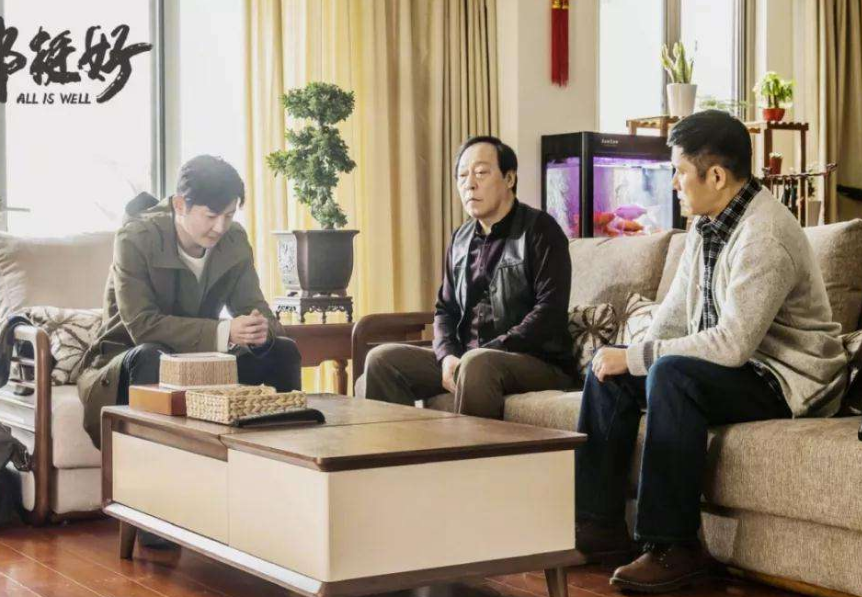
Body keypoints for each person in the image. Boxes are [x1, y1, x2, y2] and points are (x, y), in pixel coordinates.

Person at [573, 111, 848, 593]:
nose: (673, 183)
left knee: (671, 375)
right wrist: (625, 356)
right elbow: (674, 317)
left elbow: (732, 343)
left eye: (679, 171)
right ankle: (597, 525)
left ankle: (674, 548)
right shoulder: (706, 224)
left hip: (788, 378)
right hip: (742, 366)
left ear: (716, 176)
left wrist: (640, 359)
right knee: (609, 370)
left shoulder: (765, 235)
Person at [77, 155, 301, 449]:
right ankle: (150, 467)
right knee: (152, 356)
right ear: (180, 205)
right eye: (211, 216)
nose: (220, 227)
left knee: (283, 351)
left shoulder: (233, 239)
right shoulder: (135, 238)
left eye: (229, 215)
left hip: (201, 365)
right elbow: (142, 326)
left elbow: (255, 308)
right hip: (126, 361)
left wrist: (260, 330)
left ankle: (279, 459)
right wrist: (226, 332)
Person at [355, 136, 575, 418]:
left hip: (535, 360)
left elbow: (549, 312)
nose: (469, 184)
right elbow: (445, 309)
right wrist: (447, 356)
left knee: (478, 363)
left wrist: (489, 349)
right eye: (462, 176)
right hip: (468, 359)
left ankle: (470, 450)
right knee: (382, 360)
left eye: (481, 173)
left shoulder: (540, 229)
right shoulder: (460, 238)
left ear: (509, 179)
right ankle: (401, 448)